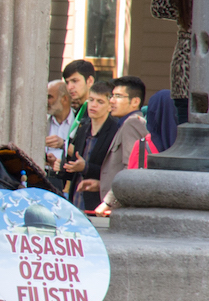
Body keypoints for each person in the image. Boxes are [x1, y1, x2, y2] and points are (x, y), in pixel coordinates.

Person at [92, 76, 150, 212]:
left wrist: (109, 202)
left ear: (135, 101)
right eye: (112, 96)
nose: (111, 101)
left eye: (118, 96)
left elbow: (131, 169)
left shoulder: (133, 123)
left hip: (119, 207)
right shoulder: (126, 123)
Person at [62, 79, 118, 213]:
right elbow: (74, 166)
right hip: (76, 199)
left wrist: (85, 167)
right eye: (91, 100)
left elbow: (112, 171)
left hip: (97, 202)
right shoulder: (83, 129)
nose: (93, 105)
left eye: (100, 102)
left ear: (110, 106)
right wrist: (63, 166)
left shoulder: (115, 131)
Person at [61, 59, 95, 137]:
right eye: (67, 82)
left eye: (75, 81)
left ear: (90, 81)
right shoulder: (71, 110)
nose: (69, 87)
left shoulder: (97, 111)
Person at [45, 78, 73, 171]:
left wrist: (63, 144)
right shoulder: (42, 121)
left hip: (65, 179)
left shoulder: (78, 122)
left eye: (49, 97)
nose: (46, 101)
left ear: (64, 99)